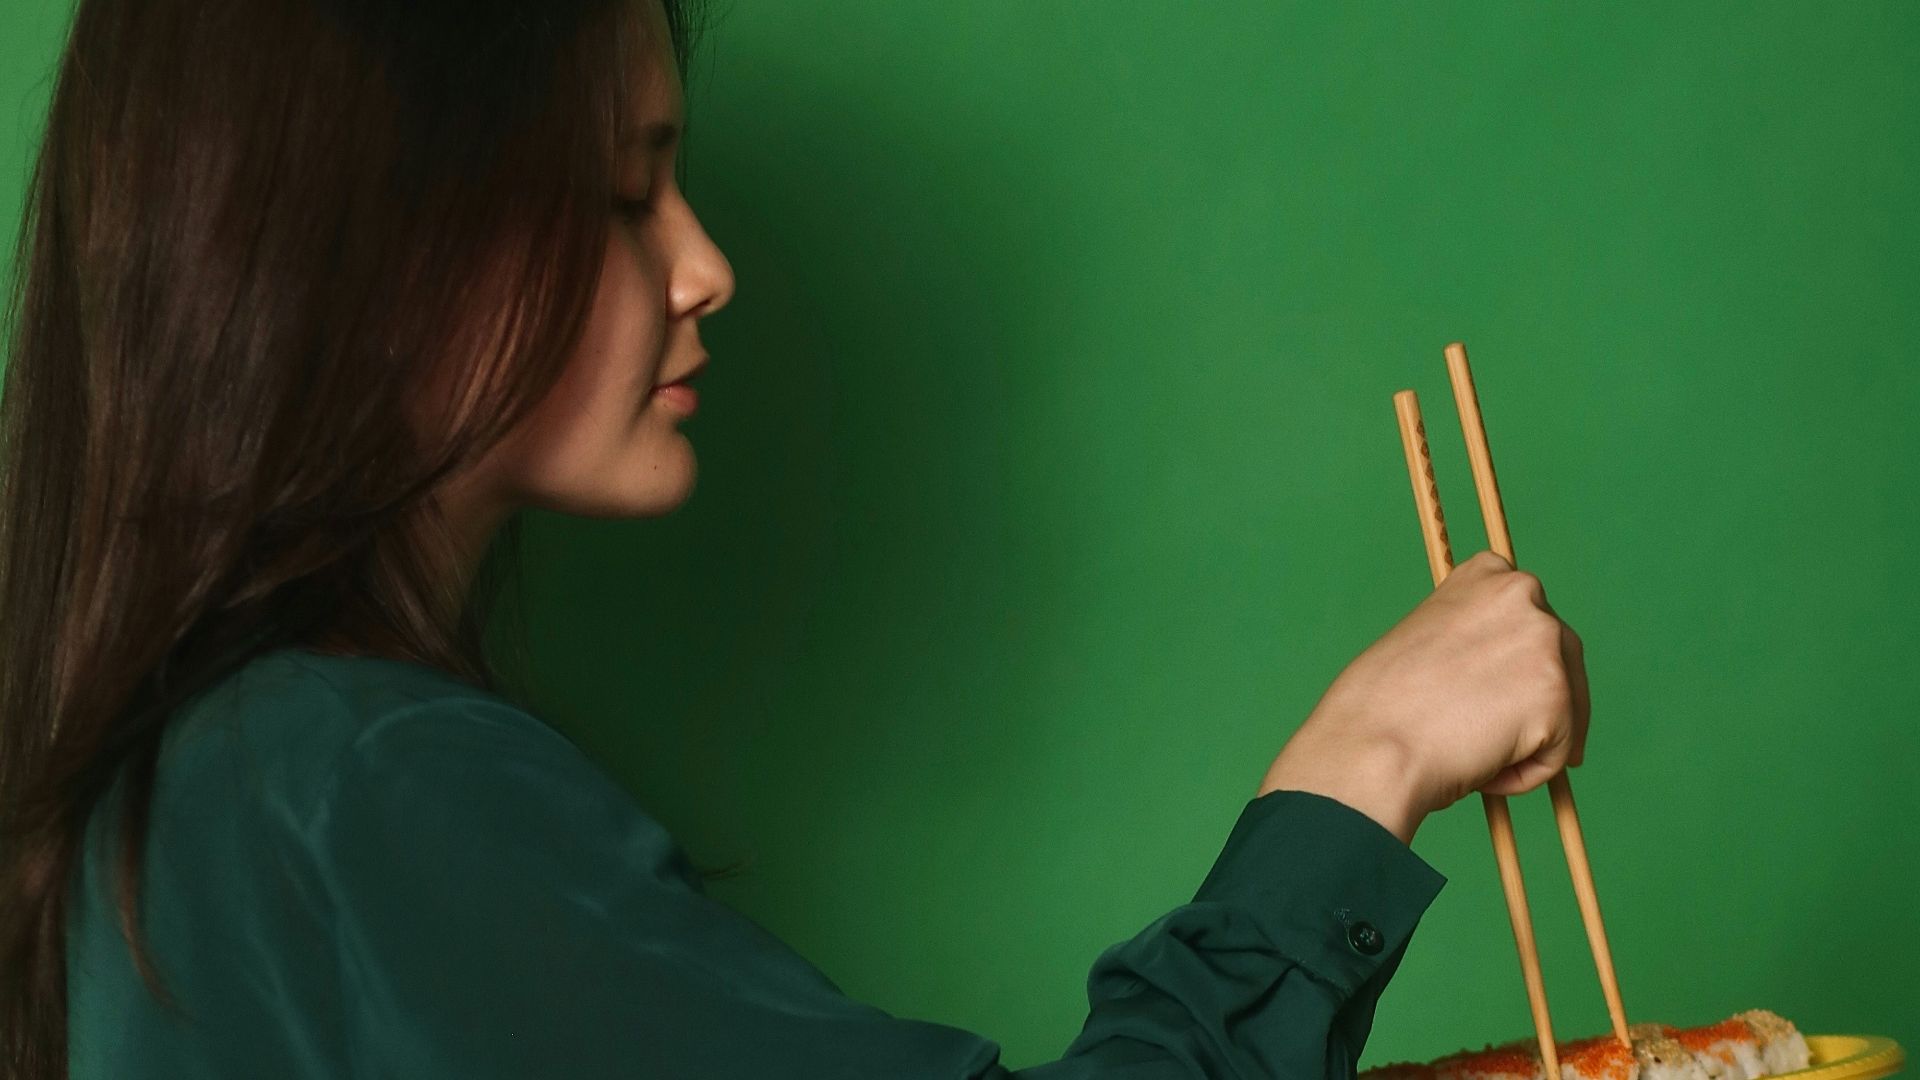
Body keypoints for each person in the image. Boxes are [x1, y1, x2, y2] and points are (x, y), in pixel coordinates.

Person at [0, 0, 1590, 1076]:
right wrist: (1366, 763)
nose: (704, 265)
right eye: (623, 194)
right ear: (376, 241)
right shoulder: (364, 781)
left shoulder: (204, 779)